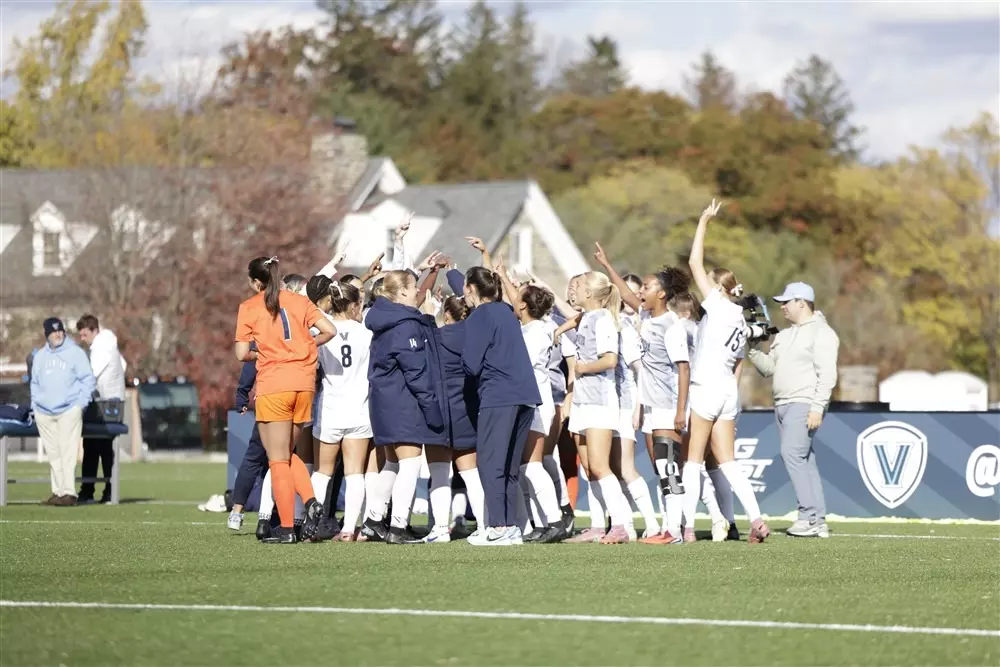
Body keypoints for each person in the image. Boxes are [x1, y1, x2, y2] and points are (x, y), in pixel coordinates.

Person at [234, 256, 336, 544]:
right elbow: (330, 330)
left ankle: (288, 528)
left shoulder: (249, 307)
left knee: (277, 459)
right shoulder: (299, 301)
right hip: (303, 384)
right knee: (287, 453)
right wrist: (303, 347)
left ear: (256, 282)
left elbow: (242, 353)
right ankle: (312, 502)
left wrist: (266, 353)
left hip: (275, 383)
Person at [685, 199, 770, 544]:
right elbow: (740, 360)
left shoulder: (718, 306)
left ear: (719, 288)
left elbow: (693, 261)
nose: (702, 284)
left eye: (708, 282)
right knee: (729, 463)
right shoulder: (741, 318)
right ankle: (757, 519)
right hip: (727, 390)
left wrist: (704, 221)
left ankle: (686, 527)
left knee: (692, 461)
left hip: (705, 387)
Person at [747, 281, 839, 538]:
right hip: (782, 404)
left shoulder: (822, 332)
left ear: (802, 302)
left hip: (805, 402)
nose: (783, 307)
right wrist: (753, 347)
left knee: (792, 454)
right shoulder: (784, 335)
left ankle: (807, 516)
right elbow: (769, 369)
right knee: (804, 459)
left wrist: (817, 407)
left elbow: (827, 375)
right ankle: (817, 518)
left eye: (786, 302)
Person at [364, 270, 448, 545]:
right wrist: (431, 406)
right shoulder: (404, 324)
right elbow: (415, 371)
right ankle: (398, 526)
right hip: (402, 402)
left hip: (384, 401)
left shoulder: (386, 318)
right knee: (410, 464)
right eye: (413, 288)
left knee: (392, 462)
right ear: (401, 292)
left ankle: (374, 520)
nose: (417, 293)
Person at [461, 266, 541, 546]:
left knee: (491, 463)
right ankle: (511, 528)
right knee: (508, 466)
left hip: (499, 396)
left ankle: (498, 527)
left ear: (471, 290)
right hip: (525, 395)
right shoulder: (506, 311)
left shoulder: (479, 315)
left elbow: (470, 365)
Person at [496, 264, 567, 543]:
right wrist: (501, 275)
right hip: (530, 401)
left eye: (518, 297)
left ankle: (555, 521)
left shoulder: (536, 332)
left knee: (532, 465)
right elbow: (518, 299)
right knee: (527, 466)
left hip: (535, 404)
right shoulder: (531, 325)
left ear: (524, 306)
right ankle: (541, 523)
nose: (513, 299)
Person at [558, 272, 632, 544]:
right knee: (589, 467)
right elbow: (576, 319)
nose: (572, 289)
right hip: (582, 402)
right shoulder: (588, 317)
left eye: (576, 285)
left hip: (600, 402)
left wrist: (581, 368)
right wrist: (559, 329)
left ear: (589, 293)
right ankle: (598, 526)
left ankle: (621, 526)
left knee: (601, 466)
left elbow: (610, 360)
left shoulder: (603, 320)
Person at [314, 281, 374, 541]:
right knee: (354, 473)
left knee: (322, 472)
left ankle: (312, 525)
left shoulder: (322, 331)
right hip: (359, 409)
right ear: (352, 305)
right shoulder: (366, 333)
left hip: (330, 409)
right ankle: (349, 528)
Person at [433, 292, 488, 541]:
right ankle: (485, 527)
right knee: (471, 474)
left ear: (447, 314)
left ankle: (440, 529)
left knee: (439, 473)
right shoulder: (477, 336)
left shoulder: (436, 336)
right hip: (468, 409)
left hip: (441, 410)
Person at [30, 318, 96, 506]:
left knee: (67, 452)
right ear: (47, 334)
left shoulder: (75, 353)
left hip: (69, 409)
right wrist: (35, 406)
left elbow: (88, 380)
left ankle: (69, 492)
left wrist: (80, 404)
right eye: (54, 332)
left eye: (61, 331)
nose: (58, 334)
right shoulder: (40, 356)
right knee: (53, 453)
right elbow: (34, 383)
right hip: (44, 412)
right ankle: (58, 491)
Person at [75, 314, 125, 504]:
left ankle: (91, 490)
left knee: (97, 446)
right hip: (112, 402)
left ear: (94, 330)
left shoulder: (101, 347)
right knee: (99, 446)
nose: (83, 339)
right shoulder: (109, 344)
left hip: (107, 404)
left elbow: (90, 375)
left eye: (85, 334)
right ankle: (104, 490)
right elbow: (124, 365)